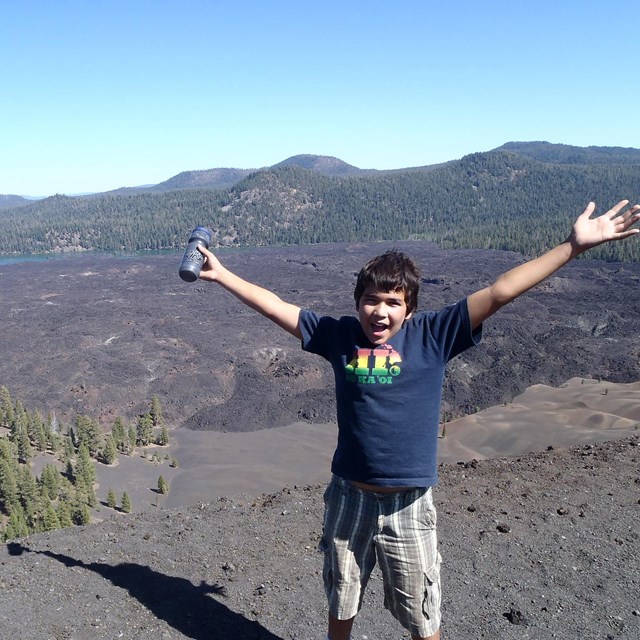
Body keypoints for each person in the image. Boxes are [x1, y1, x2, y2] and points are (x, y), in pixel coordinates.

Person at [196, 199, 639, 640]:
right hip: (349, 496)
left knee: (422, 615)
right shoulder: (340, 337)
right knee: (341, 599)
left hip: (409, 505)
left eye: (393, 302)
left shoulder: (435, 334)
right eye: (371, 300)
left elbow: (502, 290)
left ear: (410, 308)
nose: (381, 312)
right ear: (357, 303)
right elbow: (276, 306)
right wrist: (223, 275)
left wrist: (572, 246)